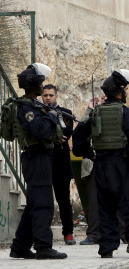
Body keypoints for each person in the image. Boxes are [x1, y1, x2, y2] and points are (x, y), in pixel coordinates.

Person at [72, 69, 129, 258]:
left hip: (101, 165)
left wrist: (91, 154)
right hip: (123, 165)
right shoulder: (127, 113)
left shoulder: (94, 113)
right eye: (125, 89)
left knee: (105, 207)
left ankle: (106, 247)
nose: (127, 92)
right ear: (119, 91)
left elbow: (78, 140)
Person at [9, 63, 67, 260]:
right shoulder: (26, 107)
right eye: (40, 83)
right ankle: (43, 247)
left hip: (40, 157)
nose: (43, 87)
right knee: (43, 204)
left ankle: (19, 247)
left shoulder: (33, 104)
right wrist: (51, 117)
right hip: (36, 157)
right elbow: (40, 131)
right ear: (35, 86)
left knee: (35, 203)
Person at [41, 84, 76, 245]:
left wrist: (49, 136)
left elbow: (65, 134)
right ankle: (43, 234)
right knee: (44, 200)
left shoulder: (66, 113)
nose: (48, 98)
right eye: (45, 95)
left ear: (56, 96)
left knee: (64, 200)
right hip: (44, 163)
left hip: (61, 164)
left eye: (51, 95)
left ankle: (68, 233)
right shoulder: (38, 112)